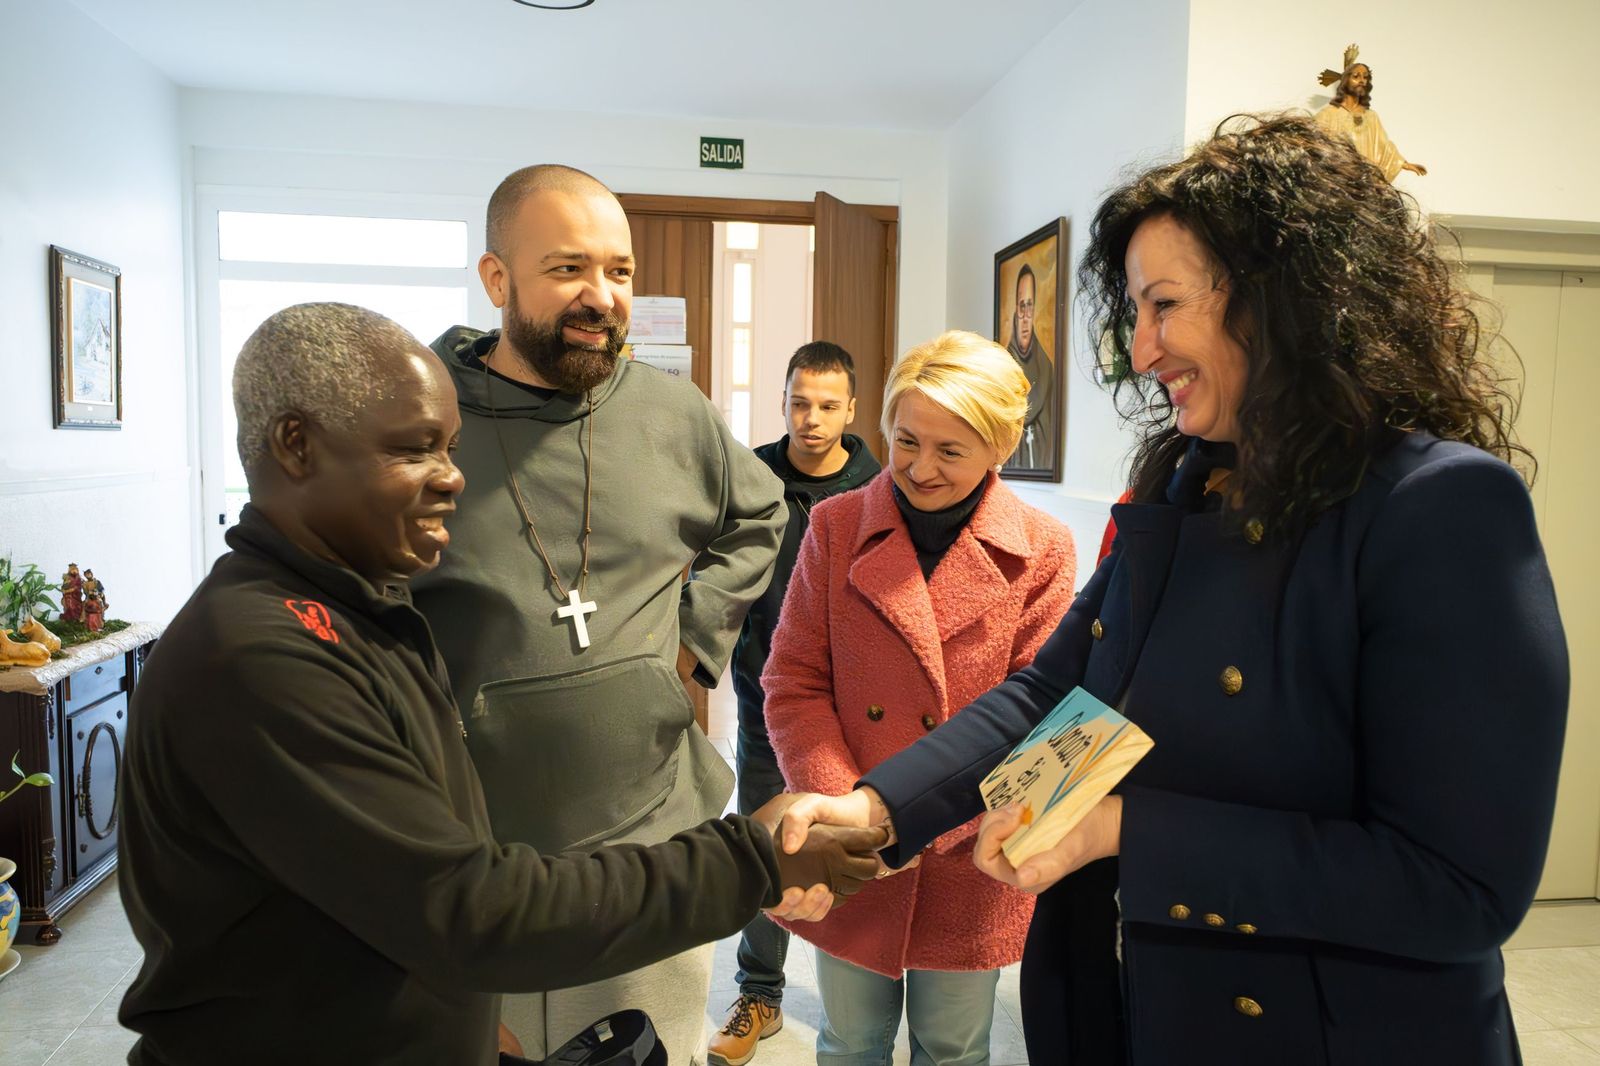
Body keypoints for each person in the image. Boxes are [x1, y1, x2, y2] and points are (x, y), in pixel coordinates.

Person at [777, 115, 1568, 1066]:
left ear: (1284, 300)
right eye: (1136, 314)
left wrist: (1126, 833)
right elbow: (1055, 700)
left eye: (1164, 306)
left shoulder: (1440, 507)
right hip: (1135, 1004)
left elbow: (1454, 887)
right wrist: (877, 810)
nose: (1143, 352)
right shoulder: (1181, 487)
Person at [117, 302, 886, 1066]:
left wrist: (463, 1022)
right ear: (297, 446)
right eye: (416, 449)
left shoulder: (366, 611)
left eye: (451, 447)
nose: (453, 478)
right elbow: (469, 912)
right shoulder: (261, 658)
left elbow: (383, 891)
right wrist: (752, 857)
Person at [409, 165, 786, 1065]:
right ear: (497, 280)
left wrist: (695, 642)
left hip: (650, 841)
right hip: (479, 855)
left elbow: (763, 513)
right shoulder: (426, 413)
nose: (602, 297)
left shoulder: (671, 410)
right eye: (569, 269)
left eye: (619, 271)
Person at [763, 330, 1078, 1066]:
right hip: (852, 840)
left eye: (951, 450)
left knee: (954, 1047)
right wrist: (856, 821)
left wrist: (921, 822)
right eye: (906, 441)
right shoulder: (837, 526)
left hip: (973, 849)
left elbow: (1046, 718)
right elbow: (793, 681)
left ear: (1000, 446)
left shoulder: (1045, 548)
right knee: (849, 1041)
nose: (919, 468)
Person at [710, 341, 881, 1066]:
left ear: (851, 408)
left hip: (864, 703)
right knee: (769, 842)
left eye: (827, 405)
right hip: (770, 697)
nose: (811, 419)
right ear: (783, 404)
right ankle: (760, 992)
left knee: (866, 840)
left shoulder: (882, 484)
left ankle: (867, 997)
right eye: (798, 403)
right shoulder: (752, 475)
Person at [1313, 46, 1426, 182]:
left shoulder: (1371, 116)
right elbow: (1314, 143)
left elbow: (1384, 146)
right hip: (1340, 181)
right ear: (1345, 81)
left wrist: (1403, 163)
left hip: (1365, 183)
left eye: (1365, 77)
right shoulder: (1328, 114)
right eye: (1356, 76)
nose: (1362, 80)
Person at [1002, 265, 1055, 471]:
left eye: (1030, 306)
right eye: (1021, 306)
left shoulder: (1046, 368)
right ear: (1015, 309)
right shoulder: (1003, 369)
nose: (1025, 316)